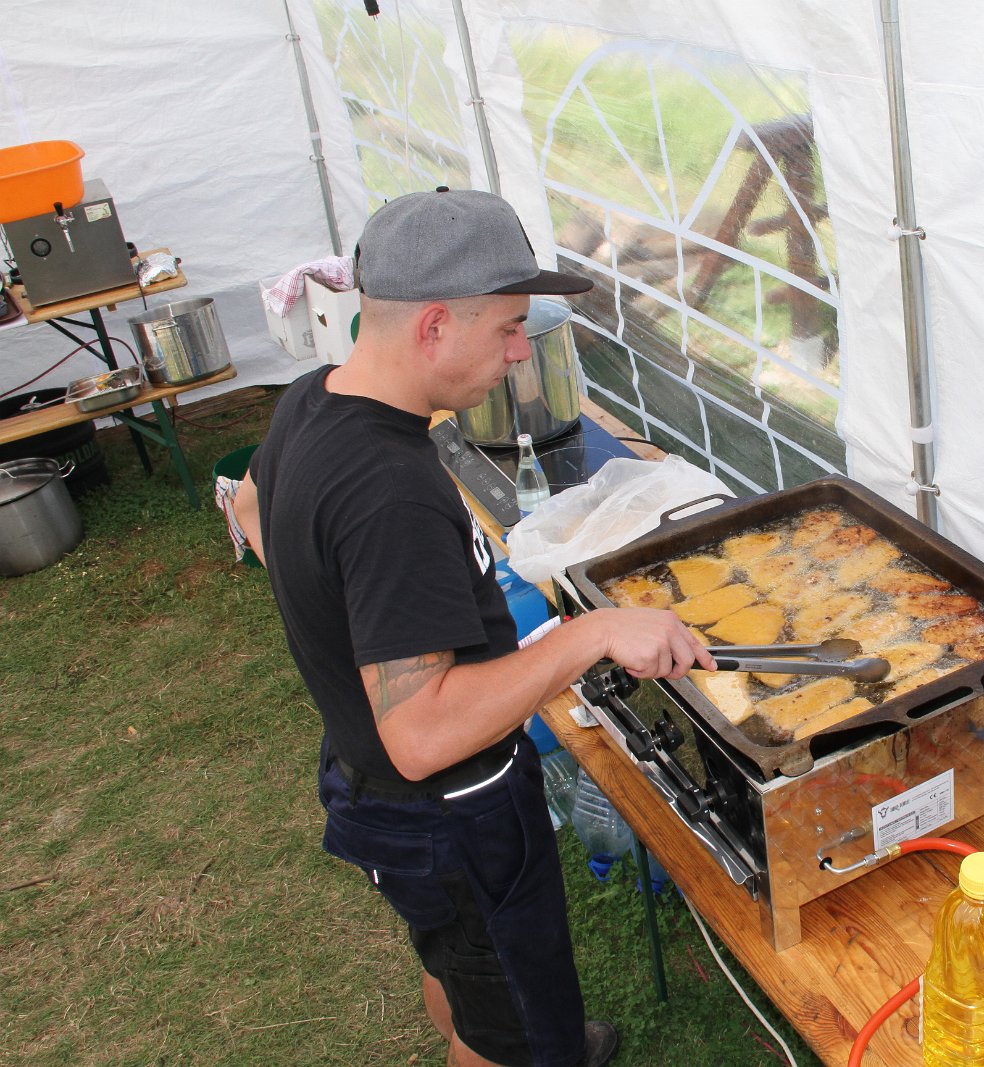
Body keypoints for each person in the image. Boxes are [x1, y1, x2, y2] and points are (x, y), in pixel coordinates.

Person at [232, 188, 713, 1067]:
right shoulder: (390, 490)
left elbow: (253, 506)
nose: (518, 353)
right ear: (433, 327)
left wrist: (329, 612)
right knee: (518, 1031)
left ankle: (490, 1029)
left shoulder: (311, 398)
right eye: (507, 329)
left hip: (370, 789)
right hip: (450, 813)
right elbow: (421, 735)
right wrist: (591, 634)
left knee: (460, 959)